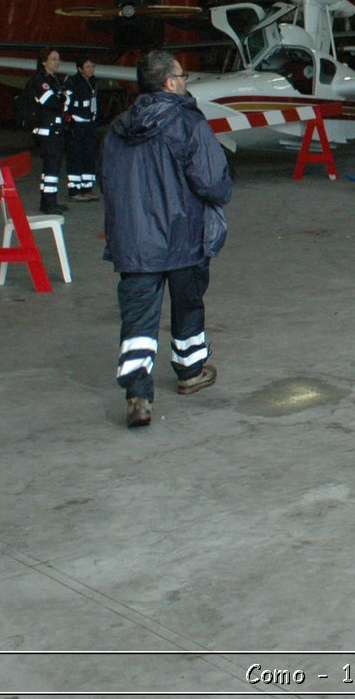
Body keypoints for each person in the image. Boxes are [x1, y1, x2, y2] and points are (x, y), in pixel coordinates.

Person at [102, 51, 233, 429]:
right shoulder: (187, 122)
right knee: (188, 305)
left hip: (135, 243)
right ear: (170, 83)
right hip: (183, 237)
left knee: (138, 319)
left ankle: (138, 396)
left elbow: (107, 183)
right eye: (183, 74)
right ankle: (191, 372)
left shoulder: (118, 128)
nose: (186, 80)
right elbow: (213, 181)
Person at [26, 48, 68, 214]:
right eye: (53, 59)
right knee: (50, 169)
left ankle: (49, 201)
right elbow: (52, 102)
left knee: (52, 170)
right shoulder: (41, 81)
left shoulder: (52, 79)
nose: (57, 62)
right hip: (48, 132)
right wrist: (63, 97)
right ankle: (49, 204)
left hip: (54, 130)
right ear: (44, 62)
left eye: (58, 59)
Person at [65, 58, 100, 202]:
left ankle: (87, 187)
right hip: (77, 123)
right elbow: (66, 102)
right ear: (80, 69)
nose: (91, 69)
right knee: (76, 155)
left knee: (89, 155)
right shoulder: (73, 82)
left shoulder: (93, 81)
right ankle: (74, 190)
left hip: (89, 123)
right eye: (87, 66)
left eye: (92, 66)